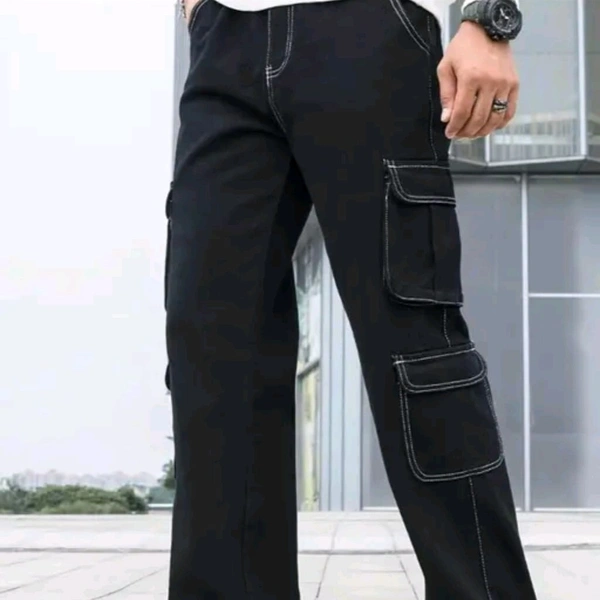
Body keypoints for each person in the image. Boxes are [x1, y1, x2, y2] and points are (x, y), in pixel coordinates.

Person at [164, 0, 537, 598]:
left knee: (415, 347)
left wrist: (487, 18)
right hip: (223, 42)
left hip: (368, 27)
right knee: (210, 358)